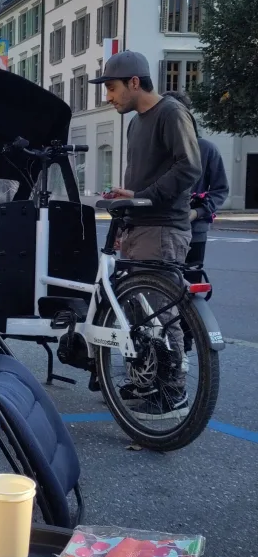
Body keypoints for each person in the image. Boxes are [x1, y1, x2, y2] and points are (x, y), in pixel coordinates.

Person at [90, 51, 201, 413]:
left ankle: (174, 392)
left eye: (111, 87)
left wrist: (143, 198)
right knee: (137, 310)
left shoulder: (170, 113)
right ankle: (148, 384)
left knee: (161, 310)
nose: (108, 96)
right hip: (140, 225)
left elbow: (189, 168)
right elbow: (141, 176)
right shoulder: (137, 121)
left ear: (134, 82)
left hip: (165, 227)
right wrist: (128, 208)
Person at [162, 90, 229, 267]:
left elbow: (220, 189)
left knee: (191, 285)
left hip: (194, 230)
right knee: (157, 286)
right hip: (158, 230)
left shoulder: (206, 149)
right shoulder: (157, 148)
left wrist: (197, 212)